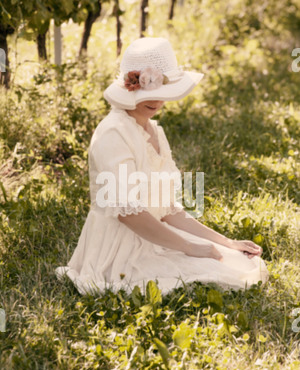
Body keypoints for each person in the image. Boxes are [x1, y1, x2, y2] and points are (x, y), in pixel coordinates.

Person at [56, 37, 269, 295]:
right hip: (120, 249)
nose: (156, 100)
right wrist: (189, 247)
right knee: (214, 272)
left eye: (162, 93)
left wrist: (225, 242)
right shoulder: (113, 133)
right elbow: (128, 214)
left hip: (155, 234)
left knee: (236, 262)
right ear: (130, 85)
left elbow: (167, 209)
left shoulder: (154, 130)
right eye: (149, 92)